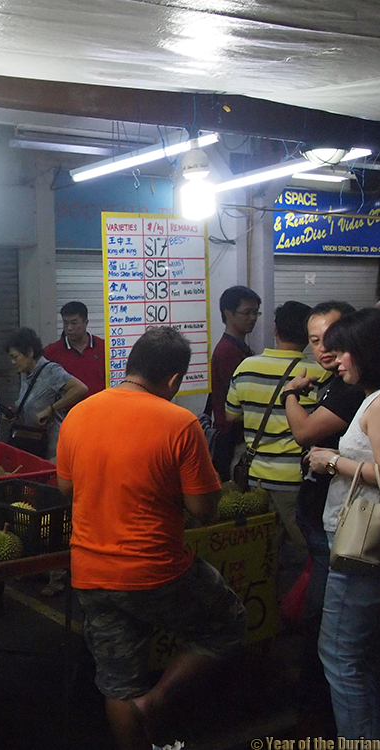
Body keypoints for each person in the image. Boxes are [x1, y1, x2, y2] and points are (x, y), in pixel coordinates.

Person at [55, 327, 247, 750]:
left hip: (89, 572)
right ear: (175, 380)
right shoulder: (179, 422)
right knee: (228, 625)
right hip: (156, 570)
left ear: (129, 364)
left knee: (118, 685)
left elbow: (67, 491)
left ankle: (140, 719)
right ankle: (158, 699)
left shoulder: (79, 414)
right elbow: (202, 510)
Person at [280, 301, 362, 728]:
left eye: (333, 339)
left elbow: (304, 433)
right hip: (322, 521)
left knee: (330, 631)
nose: (326, 350)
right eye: (315, 341)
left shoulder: (356, 389)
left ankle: (321, 715)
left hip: (345, 532)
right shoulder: (338, 383)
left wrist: (292, 392)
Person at [306, 308, 380, 740]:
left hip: (361, 544)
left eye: (346, 351)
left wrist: (332, 460)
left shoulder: (377, 402)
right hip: (355, 536)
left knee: (338, 653)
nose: (338, 359)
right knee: (361, 654)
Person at [225, 300, 325, 579]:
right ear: (308, 335)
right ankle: (293, 612)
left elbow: (231, 415)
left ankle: (264, 613)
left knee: (258, 553)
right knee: (301, 556)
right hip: (295, 480)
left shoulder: (246, 366)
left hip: (253, 477)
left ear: (275, 329)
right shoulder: (319, 373)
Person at [5, 327, 88, 460]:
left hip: (50, 446)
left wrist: (51, 409)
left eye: (15, 357)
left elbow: (81, 388)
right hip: (29, 442)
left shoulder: (51, 371)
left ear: (30, 352)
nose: (13, 362)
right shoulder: (25, 373)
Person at [207, 286, 261, 478]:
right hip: (232, 438)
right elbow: (242, 401)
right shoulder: (228, 352)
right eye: (247, 312)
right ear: (228, 313)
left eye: (256, 312)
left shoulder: (240, 347)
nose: (253, 318)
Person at [43, 301, 105, 396]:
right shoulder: (51, 352)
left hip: (99, 407)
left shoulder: (104, 348)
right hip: (69, 410)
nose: (69, 328)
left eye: (74, 323)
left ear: (86, 323)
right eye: (65, 323)